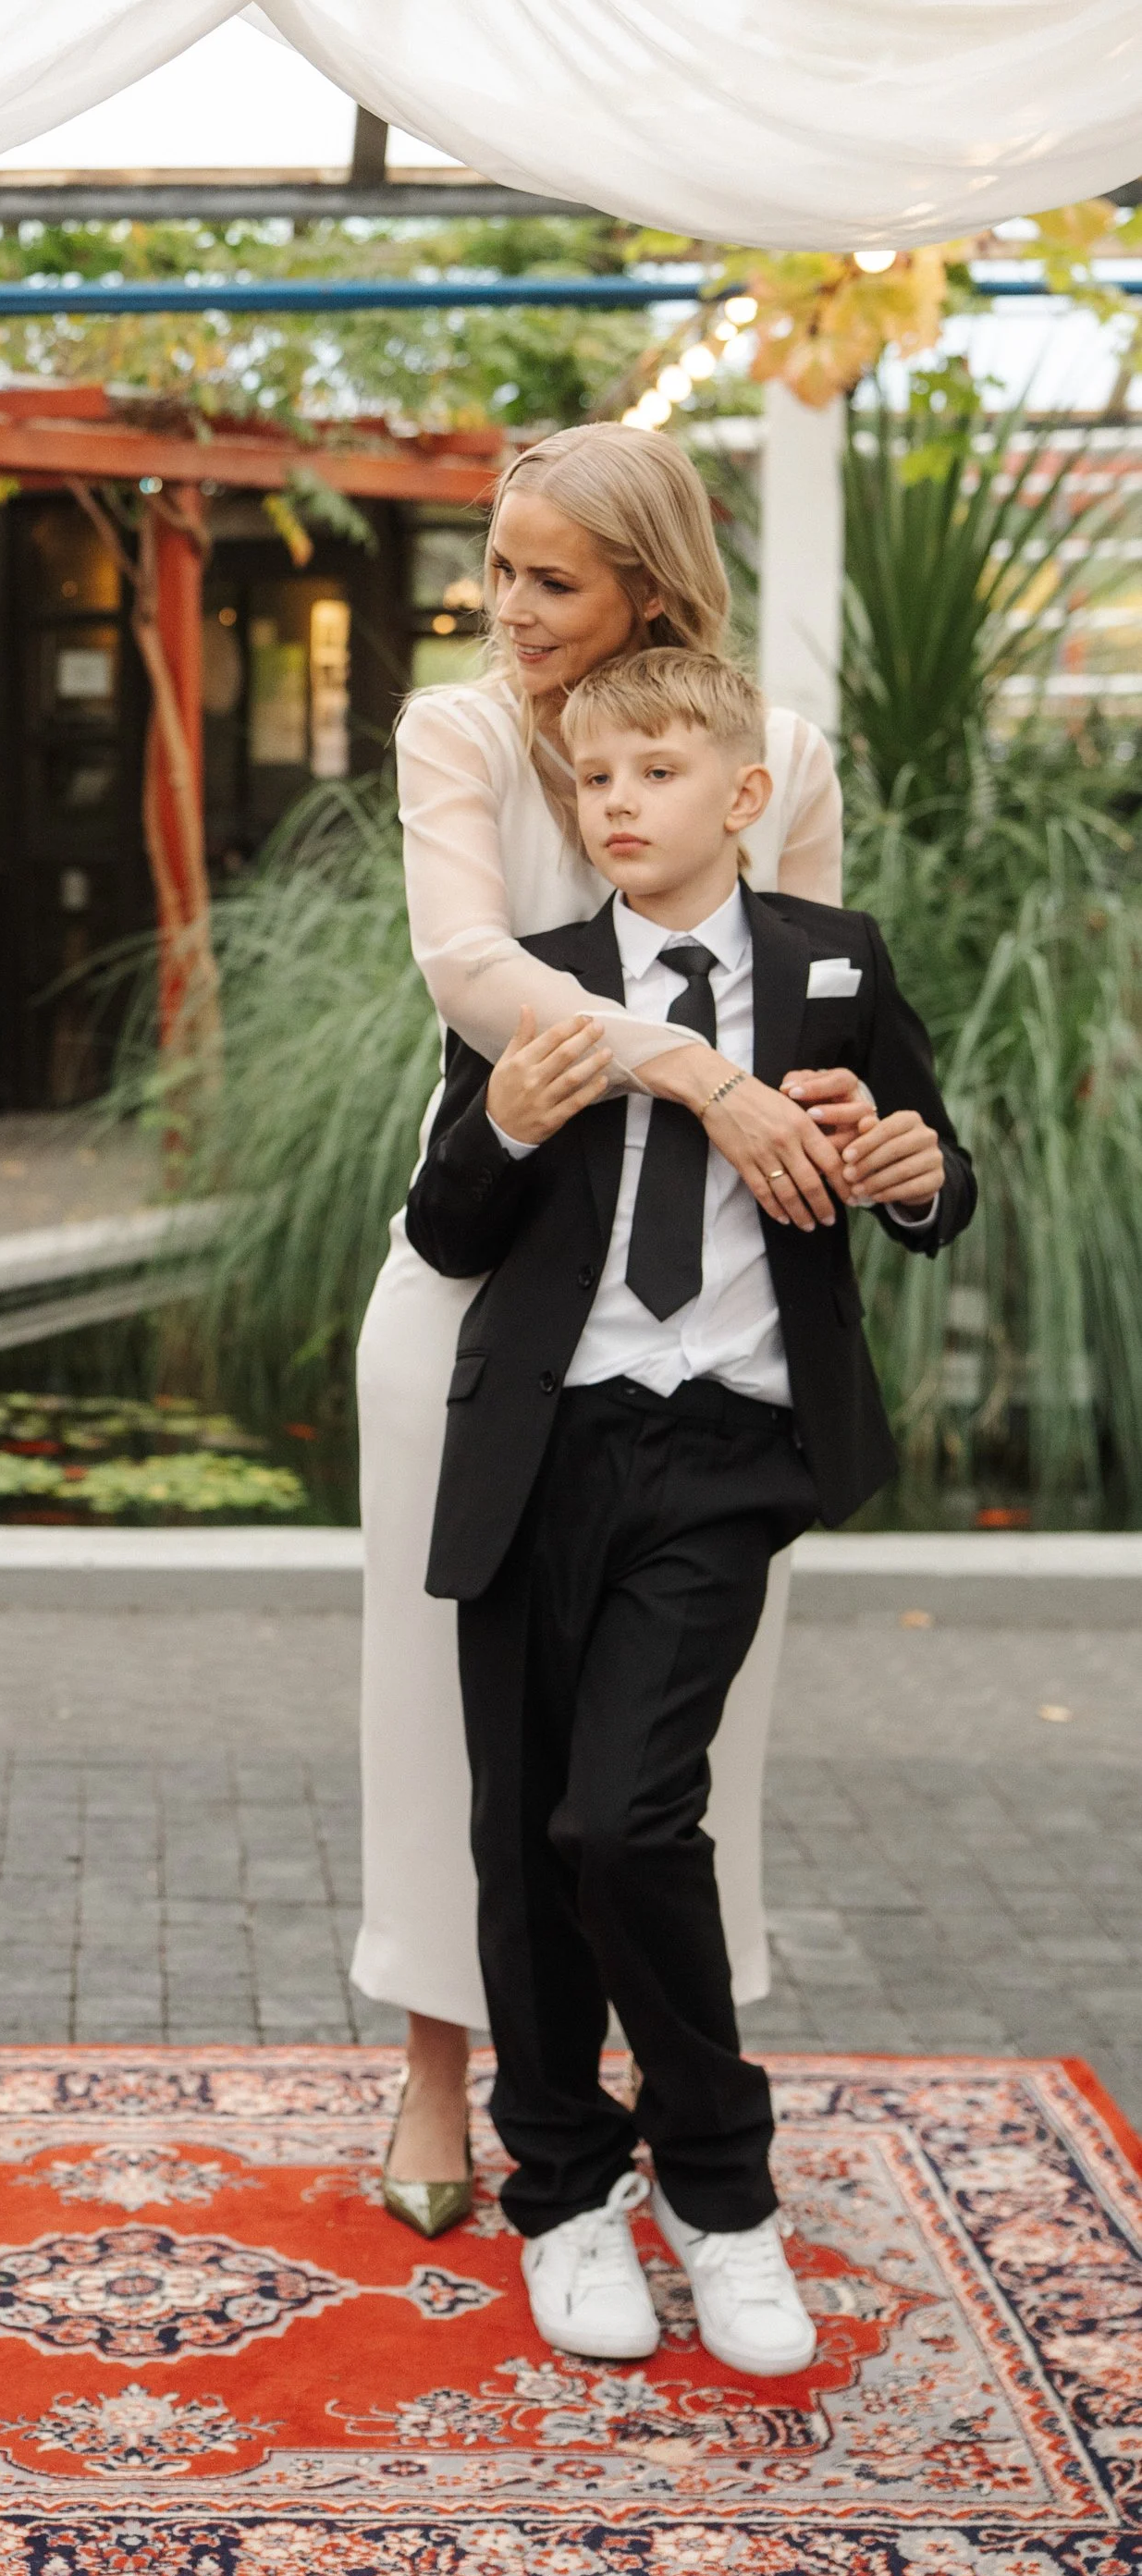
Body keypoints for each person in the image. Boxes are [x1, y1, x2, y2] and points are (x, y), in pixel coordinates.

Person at [403, 646, 971, 2373]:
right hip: (541, 1444)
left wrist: (914, 1165)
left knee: (627, 1820)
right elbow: (446, 1229)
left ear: (742, 796)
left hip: (724, 1447)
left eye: (655, 771)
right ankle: (566, 2193)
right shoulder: (543, 983)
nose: (617, 803)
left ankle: (723, 2194)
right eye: (593, 781)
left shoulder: (834, 965)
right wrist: (497, 1123)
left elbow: (934, 1168)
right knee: (523, 1842)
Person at [355, 426, 867, 2236]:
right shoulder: (457, 731)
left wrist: (847, 1123)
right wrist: (704, 1084)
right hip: (482, 1263)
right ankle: (437, 2073)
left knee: (673, 1748)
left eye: (545, 580)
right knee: (451, 1717)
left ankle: (659, 2066)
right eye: (492, 570)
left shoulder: (779, 755)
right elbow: (471, 977)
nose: (503, 611)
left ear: (647, 586)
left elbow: (807, 980)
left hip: (706, 1321)